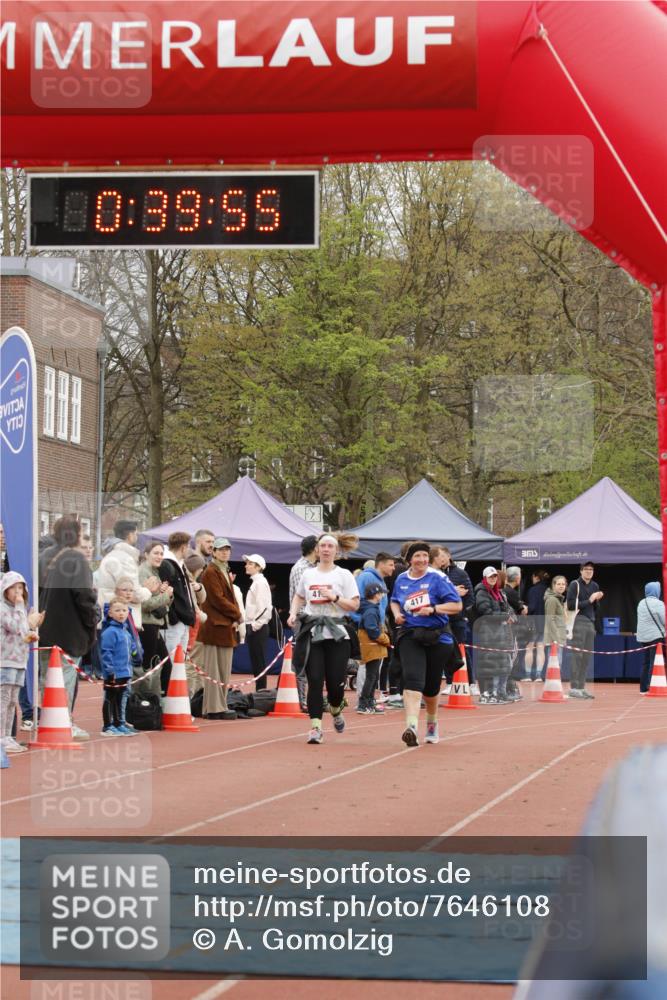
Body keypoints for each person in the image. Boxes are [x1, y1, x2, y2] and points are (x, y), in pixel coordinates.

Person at [288, 533, 360, 744]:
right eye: (323, 546)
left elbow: (355, 605)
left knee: (336, 684)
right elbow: (299, 595)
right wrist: (293, 613)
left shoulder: (344, 575)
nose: (326, 549)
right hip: (313, 632)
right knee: (315, 680)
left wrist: (335, 598)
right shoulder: (308, 575)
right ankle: (316, 727)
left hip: (337, 633)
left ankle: (336, 709)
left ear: (336, 551)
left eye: (330, 546)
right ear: (317, 550)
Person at [390, 540, 462, 746]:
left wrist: (433, 609)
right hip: (411, 634)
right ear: (409, 560)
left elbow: (457, 605)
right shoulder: (402, 579)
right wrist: (396, 614)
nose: (421, 560)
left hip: (437, 636)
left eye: (424, 556)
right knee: (412, 679)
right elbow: (395, 599)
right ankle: (411, 726)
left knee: (430, 686)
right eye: (416, 556)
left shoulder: (438, 578)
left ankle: (432, 723)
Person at [39, 514, 98, 739]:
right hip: (70, 629)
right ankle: (63, 721)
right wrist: (91, 621)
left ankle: (48, 720)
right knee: (65, 677)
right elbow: (83, 595)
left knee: (48, 678)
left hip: (45, 627)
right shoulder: (76, 559)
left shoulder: (44, 556)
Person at [191, 537, 242, 720]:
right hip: (214, 628)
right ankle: (213, 708)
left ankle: (220, 705)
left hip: (224, 627)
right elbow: (217, 599)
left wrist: (234, 617)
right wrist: (237, 614)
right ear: (213, 552)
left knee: (223, 669)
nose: (225, 552)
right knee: (214, 670)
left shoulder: (223, 569)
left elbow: (226, 598)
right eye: (221, 549)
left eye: (227, 549)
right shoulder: (211, 571)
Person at [1, 572, 43, 754]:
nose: (18, 592)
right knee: (3, 700)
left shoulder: (20, 610)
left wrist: (32, 633)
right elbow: (15, 627)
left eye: (20, 588)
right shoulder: (3, 608)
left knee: (12, 701)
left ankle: (8, 736)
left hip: (19, 661)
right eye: (13, 588)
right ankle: (1, 737)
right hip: (5, 660)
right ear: (5, 590)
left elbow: (24, 632)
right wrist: (20, 608)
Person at [95, 520, 161, 628]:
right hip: (122, 621)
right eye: (136, 534)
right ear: (130, 535)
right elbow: (131, 594)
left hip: (113, 618)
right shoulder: (124, 559)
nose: (137, 537)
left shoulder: (112, 555)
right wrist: (147, 590)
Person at [473, 567, 515, 704]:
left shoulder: (496, 592)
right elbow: (485, 612)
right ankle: (486, 694)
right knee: (488, 663)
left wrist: (507, 615)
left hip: (497, 633)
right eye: (490, 576)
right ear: (485, 577)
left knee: (497, 663)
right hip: (486, 632)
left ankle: (494, 693)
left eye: (495, 576)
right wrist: (504, 617)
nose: (493, 579)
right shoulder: (482, 592)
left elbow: (503, 609)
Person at [99, 598, 140, 736]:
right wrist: (110, 671)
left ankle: (118, 723)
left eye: (124, 610)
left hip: (124, 672)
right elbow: (106, 652)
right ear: (110, 613)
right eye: (117, 610)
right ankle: (107, 725)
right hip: (114, 673)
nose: (121, 613)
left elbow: (132, 647)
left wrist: (135, 653)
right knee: (110, 698)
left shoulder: (126, 631)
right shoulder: (110, 632)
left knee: (119, 698)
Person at [138, 542, 173, 693]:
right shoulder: (142, 573)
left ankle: (160, 703)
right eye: (156, 553)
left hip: (155, 625)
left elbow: (159, 601)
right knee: (149, 668)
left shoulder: (154, 572)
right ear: (146, 554)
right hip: (146, 626)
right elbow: (144, 604)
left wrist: (164, 595)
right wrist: (166, 596)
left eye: (161, 553)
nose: (159, 556)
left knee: (165, 666)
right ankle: (145, 703)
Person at [289, 535, 319, 711]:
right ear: (314, 548)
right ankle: (302, 701)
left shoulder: (312, 567)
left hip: (312, 619)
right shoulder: (302, 568)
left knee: (313, 660)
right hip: (304, 619)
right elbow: (304, 596)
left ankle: (308, 699)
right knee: (302, 659)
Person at [566, 561, 603, 699]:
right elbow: (570, 605)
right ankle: (574, 687)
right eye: (586, 569)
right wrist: (590, 599)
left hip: (590, 622)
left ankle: (581, 687)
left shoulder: (595, 585)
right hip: (578, 621)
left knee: (587, 657)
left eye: (591, 569)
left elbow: (595, 607)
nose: (589, 571)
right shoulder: (574, 584)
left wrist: (597, 600)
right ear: (581, 571)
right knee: (577, 656)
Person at [158, 531, 197, 656]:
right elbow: (164, 592)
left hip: (183, 621)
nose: (189, 549)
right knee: (171, 660)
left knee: (180, 664)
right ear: (183, 547)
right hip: (174, 622)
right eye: (189, 546)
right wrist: (174, 617)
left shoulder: (180, 565)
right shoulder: (166, 564)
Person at [356, 583, 390, 714]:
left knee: (373, 676)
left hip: (372, 647)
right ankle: (364, 704)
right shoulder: (371, 611)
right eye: (381, 593)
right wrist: (384, 638)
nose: (382, 595)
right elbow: (372, 630)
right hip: (372, 647)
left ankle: (369, 702)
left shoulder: (369, 608)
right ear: (376, 595)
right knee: (371, 676)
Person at [243, 553, 272, 691]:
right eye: (247, 563)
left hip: (257, 627)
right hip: (255, 626)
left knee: (259, 663)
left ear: (258, 567)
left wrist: (255, 626)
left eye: (250, 563)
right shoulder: (257, 582)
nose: (246, 565)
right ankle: (260, 692)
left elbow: (264, 607)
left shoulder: (260, 583)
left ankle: (261, 693)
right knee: (256, 662)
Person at [636, 582, 665, 694]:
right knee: (655, 662)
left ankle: (643, 688)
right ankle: (652, 686)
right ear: (656, 591)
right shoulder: (659, 604)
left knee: (646, 662)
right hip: (655, 637)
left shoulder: (641, 603)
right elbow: (664, 621)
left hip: (643, 638)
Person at [524, 570, 550, 682]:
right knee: (541, 649)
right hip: (545, 623)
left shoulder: (532, 590)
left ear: (536, 577)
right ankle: (539, 675)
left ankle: (527, 675)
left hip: (533, 622)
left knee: (529, 649)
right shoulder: (549, 590)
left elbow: (532, 607)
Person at [543, 575, 568, 667]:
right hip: (554, 639)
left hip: (558, 637)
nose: (561, 586)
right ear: (553, 586)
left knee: (557, 665)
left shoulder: (558, 599)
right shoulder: (552, 600)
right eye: (558, 584)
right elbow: (550, 620)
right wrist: (556, 639)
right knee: (555, 665)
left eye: (563, 584)